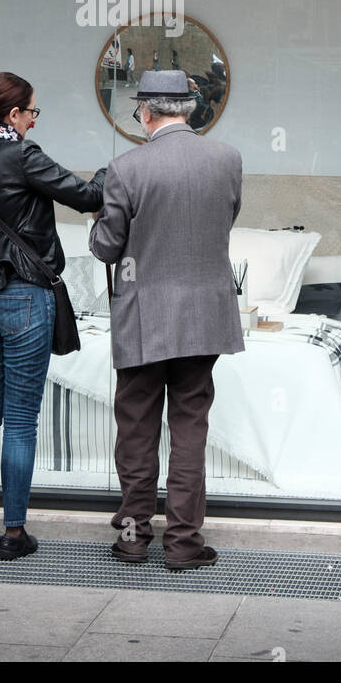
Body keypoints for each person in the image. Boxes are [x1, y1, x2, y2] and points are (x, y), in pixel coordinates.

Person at [0, 71, 105, 560]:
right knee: (19, 421)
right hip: (24, 300)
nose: (35, 120)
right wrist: (112, 173)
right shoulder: (22, 155)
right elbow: (89, 198)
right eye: (32, 112)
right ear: (12, 115)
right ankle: (13, 534)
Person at [89, 70, 243, 570]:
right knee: (189, 428)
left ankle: (134, 538)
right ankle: (183, 543)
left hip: (142, 317)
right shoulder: (227, 159)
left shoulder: (125, 167)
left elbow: (107, 247)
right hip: (205, 314)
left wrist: (100, 222)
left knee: (136, 427)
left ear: (146, 112)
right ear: (189, 110)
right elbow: (225, 218)